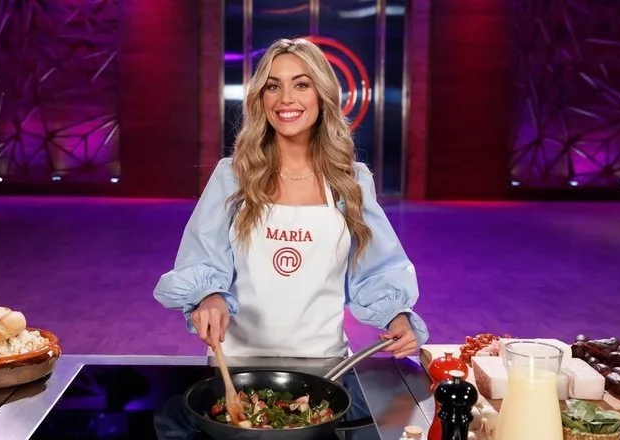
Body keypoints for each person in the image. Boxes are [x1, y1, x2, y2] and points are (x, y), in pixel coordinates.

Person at [154, 37, 428, 359]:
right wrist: (209, 296)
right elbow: (201, 258)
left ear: (322, 95)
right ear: (261, 98)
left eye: (301, 85)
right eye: (273, 86)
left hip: (326, 366)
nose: (286, 98)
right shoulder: (233, 176)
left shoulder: (349, 182)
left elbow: (376, 269)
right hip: (235, 365)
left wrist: (397, 317)